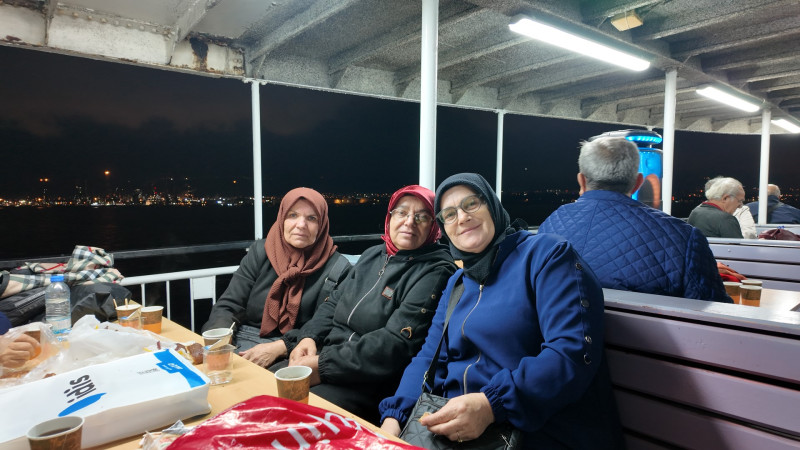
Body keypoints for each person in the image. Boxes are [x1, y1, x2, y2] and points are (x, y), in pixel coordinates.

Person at [380, 174, 623, 448]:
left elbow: (571, 351)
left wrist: (491, 404)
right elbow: (429, 357)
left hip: (535, 429)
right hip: (457, 431)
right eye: (449, 214)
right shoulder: (458, 282)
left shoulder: (546, 256)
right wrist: (396, 416)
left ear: (492, 206)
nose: (462, 218)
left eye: (471, 204)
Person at [275, 185, 456, 424]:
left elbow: (395, 343)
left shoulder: (436, 270)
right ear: (389, 217)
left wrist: (322, 365)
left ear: (434, 226)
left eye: (422, 217)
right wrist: (308, 338)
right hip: (327, 357)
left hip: (368, 382)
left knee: (293, 416)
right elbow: (333, 302)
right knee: (263, 387)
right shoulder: (372, 255)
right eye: (401, 212)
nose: (409, 222)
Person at [539, 138, 732, 302]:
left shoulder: (550, 225)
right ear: (638, 182)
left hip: (558, 335)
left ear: (581, 180)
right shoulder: (685, 237)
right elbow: (715, 310)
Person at [201, 187, 351, 365]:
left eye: (312, 218)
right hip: (242, 341)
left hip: (296, 351)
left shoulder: (338, 269)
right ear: (282, 218)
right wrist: (220, 344)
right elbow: (230, 304)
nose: (301, 225)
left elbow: (326, 326)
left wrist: (281, 347)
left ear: (322, 224)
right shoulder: (261, 252)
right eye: (293, 215)